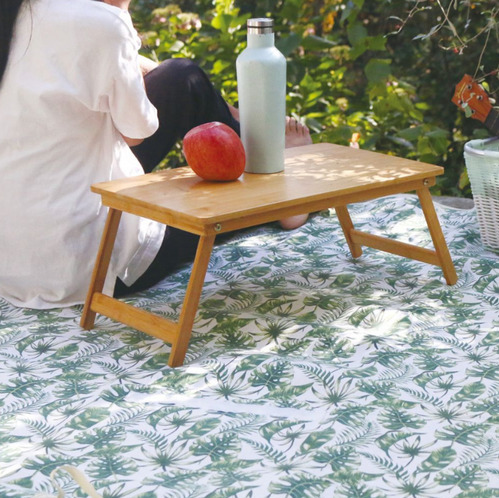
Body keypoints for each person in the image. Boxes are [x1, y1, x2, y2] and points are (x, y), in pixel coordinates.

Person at [0, 0, 311, 309]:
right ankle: (276, 201)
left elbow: (108, 60)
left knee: (181, 75)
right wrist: (118, 13)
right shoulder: (101, 22)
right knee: (199, 214)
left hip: (13, 265)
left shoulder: (20, 11)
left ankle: (258, 153)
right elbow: (136, 132)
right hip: (92, 266)